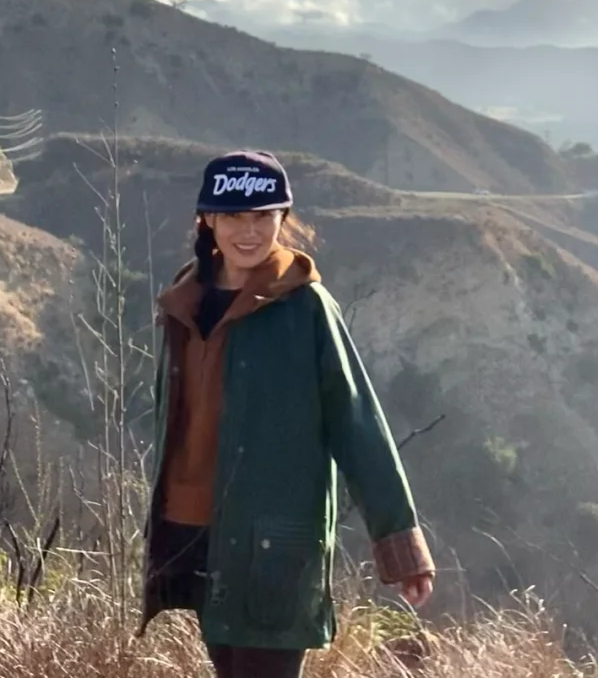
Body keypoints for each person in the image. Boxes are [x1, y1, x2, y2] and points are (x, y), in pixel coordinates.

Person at [140, 149, 435, 678]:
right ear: (207, 219)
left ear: (283, 218)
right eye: (233, 216)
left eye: (263, 216)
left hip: (274, 541)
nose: (248, 232)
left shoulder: (307, 308)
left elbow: (357, 422)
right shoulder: (184, 301)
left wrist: (401, 545)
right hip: (192, 528)